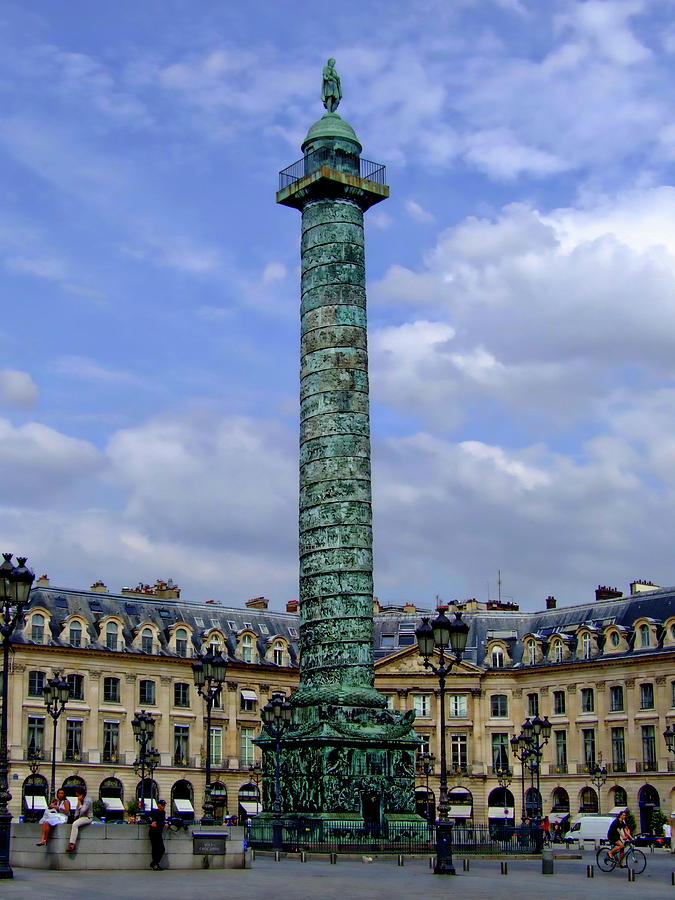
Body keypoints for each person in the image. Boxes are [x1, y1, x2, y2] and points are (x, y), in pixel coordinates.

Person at [66, 786, 93, 852]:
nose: (75, 794)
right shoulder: (80, 799)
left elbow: (83, 810)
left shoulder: (88, 800)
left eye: (76, 793)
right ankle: (71, 844)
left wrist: (80, 802)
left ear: (80, 793)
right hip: (81, 818)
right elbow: (77, 811)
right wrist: (74, 817)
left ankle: (72, 844)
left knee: (75, 824)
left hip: (88, 818)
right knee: (74, 823)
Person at [148, 798, 167, 870]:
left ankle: (154, 863)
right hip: (153, 832)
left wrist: (165, 824)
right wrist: (151, 823)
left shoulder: (163, 813)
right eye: (162, 805)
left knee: (161, 849)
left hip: (159, 832)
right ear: (158, 805)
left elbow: (162, 821)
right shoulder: (154, 812)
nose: (163, 806)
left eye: (164, 805)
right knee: (155, 848)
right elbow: (147, 817)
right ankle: (155, 864)